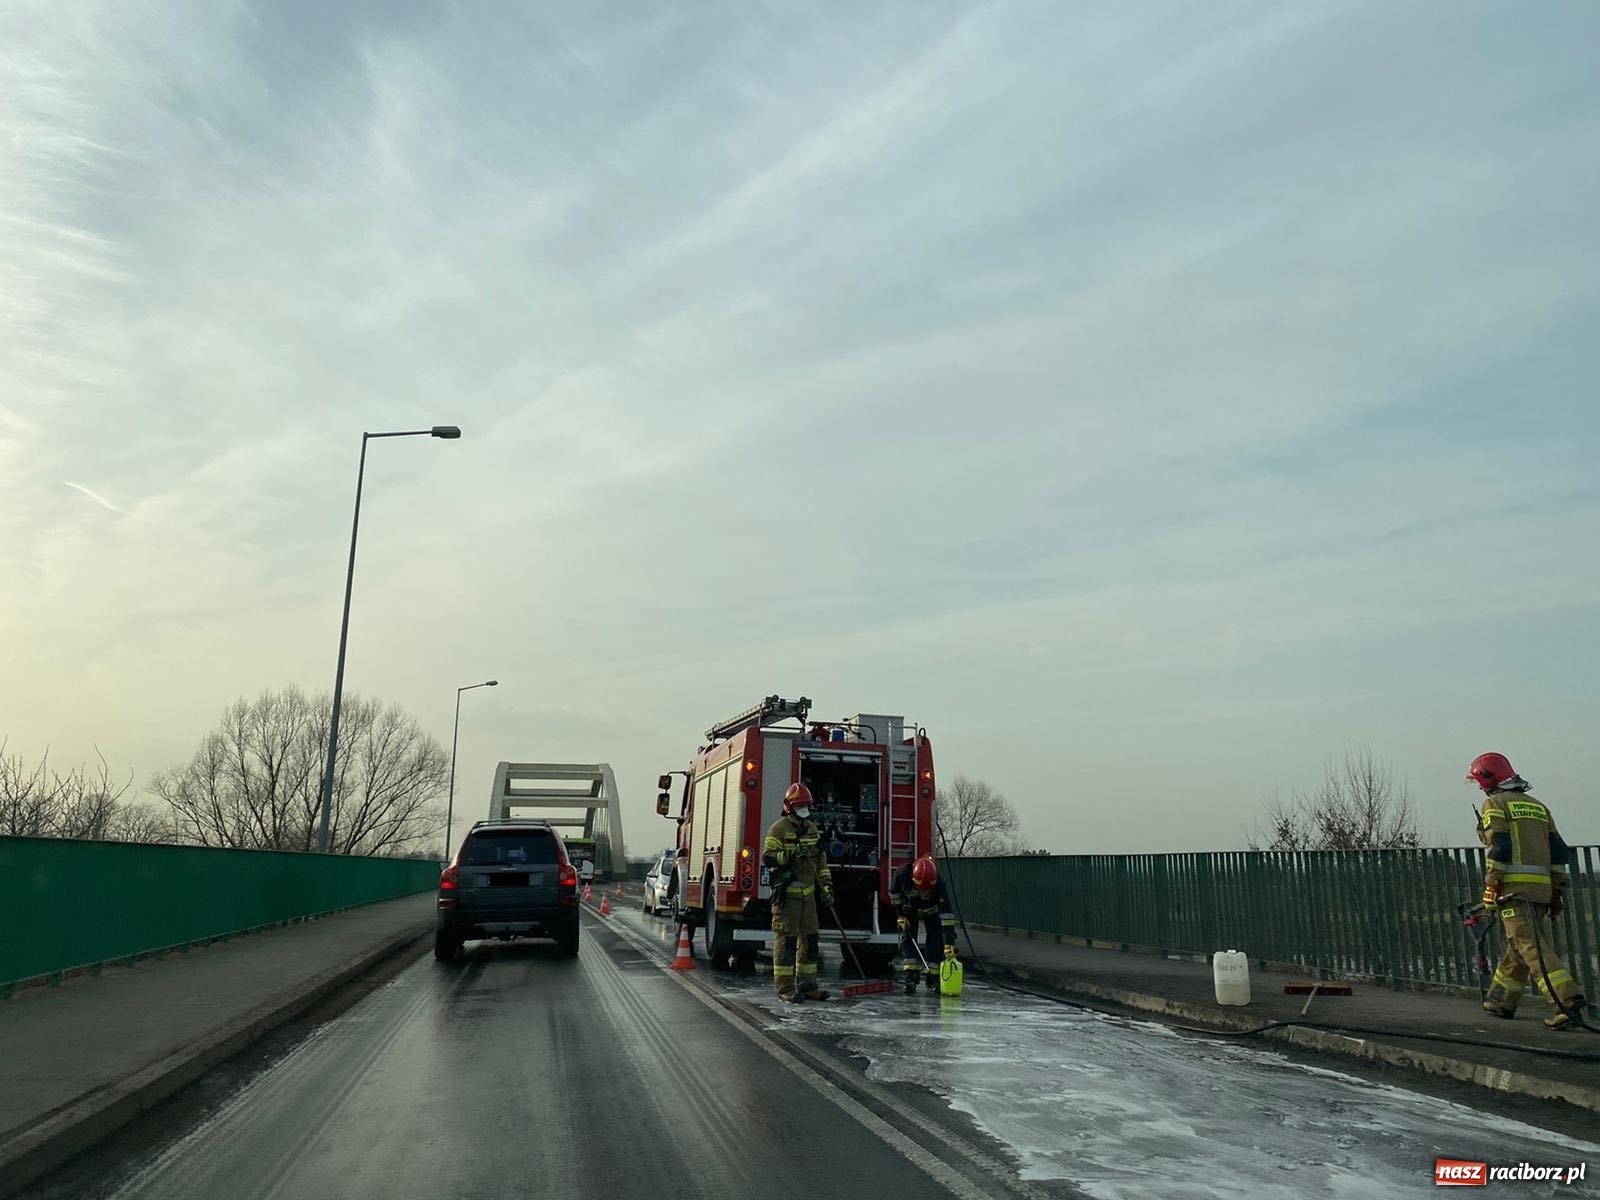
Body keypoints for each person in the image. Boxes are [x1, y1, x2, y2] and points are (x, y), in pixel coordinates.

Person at [1468, 752, 1585, 1030]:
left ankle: (1567, 1004)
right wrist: (1556, 891)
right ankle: (1501, 1000)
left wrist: (1491, 884)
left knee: (1531, 948)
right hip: (1541, 891)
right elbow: (1559, 853)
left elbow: (1500, 847)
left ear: (1487, 780)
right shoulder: (1538, 807)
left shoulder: (1494, 804)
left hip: (1513, 891)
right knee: (1519, 945)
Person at [762, 782, 833, 1003]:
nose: (805, 810)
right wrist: (792, 853)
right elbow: (769, 858)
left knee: (810, 941)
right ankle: (785, 989)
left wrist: (827, 886)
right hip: (788, 896)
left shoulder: (812, 829)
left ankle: (808, 985)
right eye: (801, 806)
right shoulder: (778, 829)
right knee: (786, 941)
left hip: (809, 897)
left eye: (807, 806)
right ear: (790, 807)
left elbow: (820, 861)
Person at [891, 854, 956, 995]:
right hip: (910, 911)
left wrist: (949, 943)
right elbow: (894, 896)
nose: (924, 893)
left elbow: (947, 916)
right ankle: (910, 979)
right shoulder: (901, 875)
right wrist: (900, 915)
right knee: (909, 941)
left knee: (935, 942)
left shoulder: (940, 886)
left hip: (932, 914)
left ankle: (933, 980)